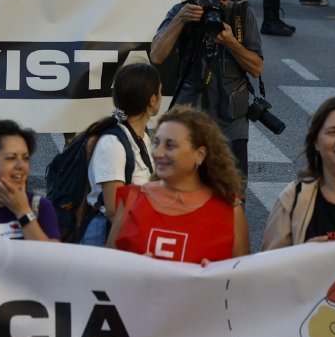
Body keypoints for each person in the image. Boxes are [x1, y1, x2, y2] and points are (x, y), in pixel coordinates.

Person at [150, 0, 264, 181]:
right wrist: (180, 20)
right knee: (182, 189)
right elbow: (156, 56)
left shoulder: (240, 15)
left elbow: (257, 68)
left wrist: (231, 43)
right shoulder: (182, 12)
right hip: (190, 118)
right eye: (213, 1)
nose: (220, 7)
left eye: (225, 0)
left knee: (232, 197)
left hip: (231, 122)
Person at [106, 106, 248, 264]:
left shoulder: (230, 211)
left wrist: (213, 279)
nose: (157, 153)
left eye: (170, 145)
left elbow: (240, 281)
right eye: (156, 142)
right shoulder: (132, 200)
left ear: (199, 155)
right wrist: (133, 270)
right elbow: (108, 273)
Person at [76, 64, 162, 246]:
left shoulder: (143, 137)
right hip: (107, 235)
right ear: (153, 100)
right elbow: (114, 209)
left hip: (132, 228)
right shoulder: (112, 144)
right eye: (160, 92)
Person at [261, 97, 335, 248]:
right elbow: (267, 266)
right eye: (333, 132)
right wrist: (304, 255)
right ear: (316, 142)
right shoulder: (292, 200)